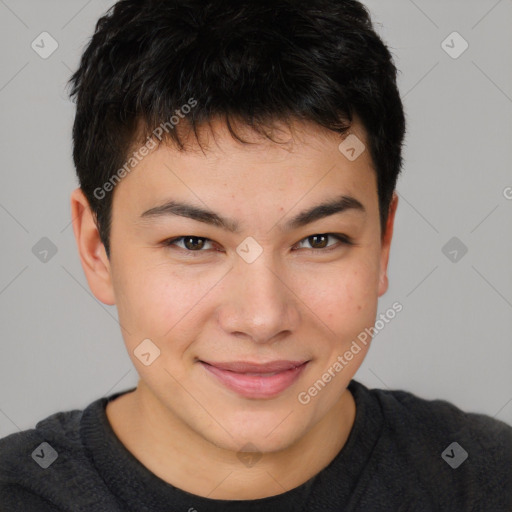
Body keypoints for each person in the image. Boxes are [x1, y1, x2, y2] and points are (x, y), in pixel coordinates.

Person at [1, 0, 511, 510]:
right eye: (193, 242)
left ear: (382, 243)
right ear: (97, 250)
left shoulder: (483, 481)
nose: (263, 318)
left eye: (319, 240)